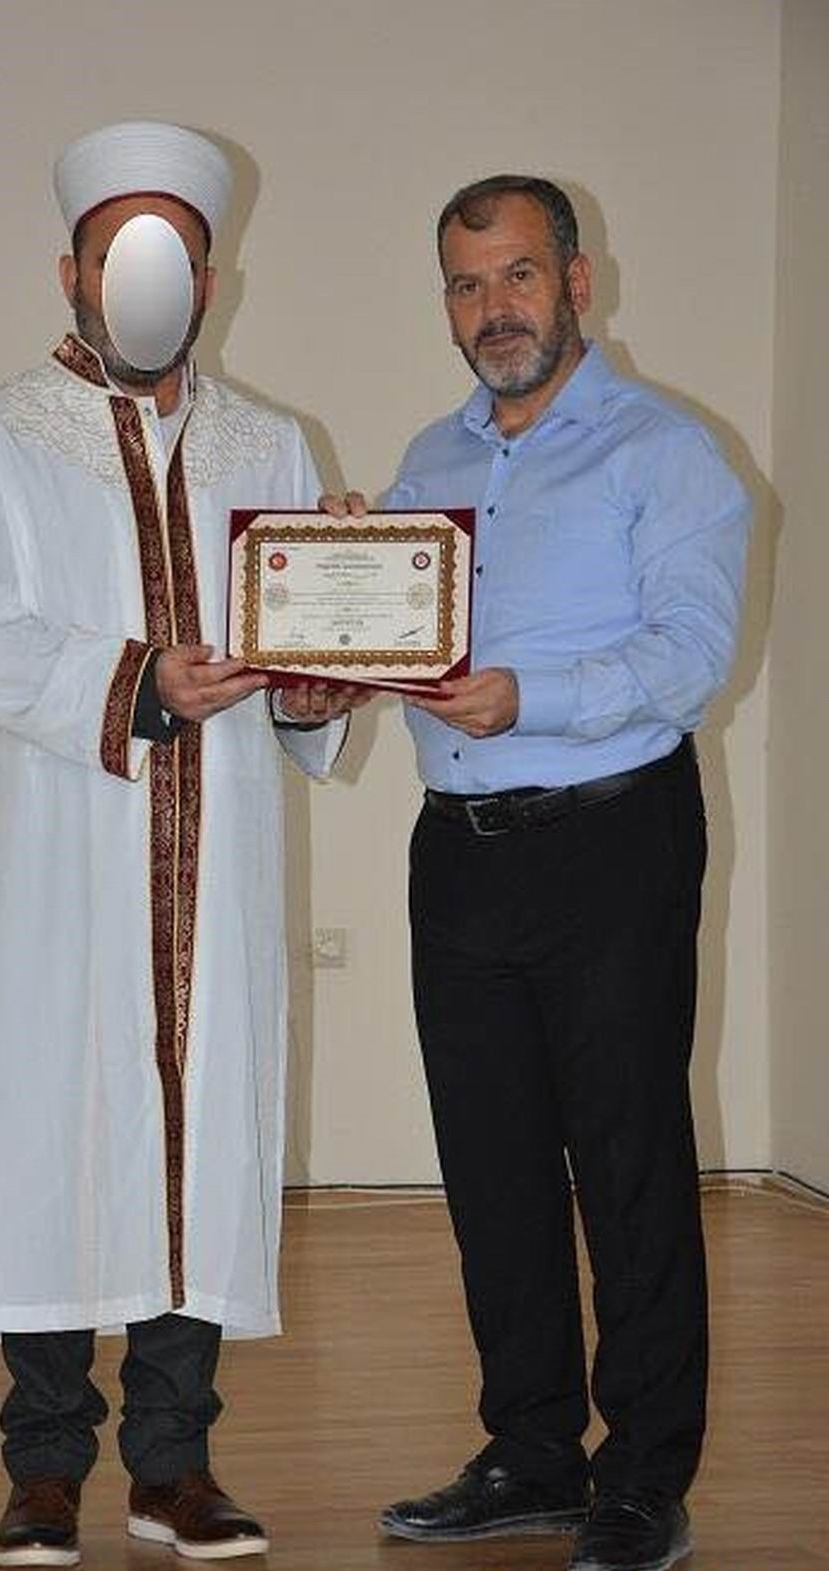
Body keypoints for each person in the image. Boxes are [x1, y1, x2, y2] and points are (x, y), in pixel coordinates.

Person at [0, 120, 362, 1568]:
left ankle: (172, 1468)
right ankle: (45, 1467)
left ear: (209, 282)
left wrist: (315, 687)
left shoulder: (268, 442)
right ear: (72, 273)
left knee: (203, 1136)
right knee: (55, 1126)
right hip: (64, 849)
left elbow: (295, 651)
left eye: (170, 259)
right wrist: (141, 684)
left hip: (217, 857)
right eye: (116, 255)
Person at [326, 175, 749, 1571]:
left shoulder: (664, 450)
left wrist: (533, 697)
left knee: (628, 1166)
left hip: (610, 839)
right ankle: (528, 1452)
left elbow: (690, 656)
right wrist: (320, 645)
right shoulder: (427, 460)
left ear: (575, 280)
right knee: (490, 1169)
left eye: (515, 275)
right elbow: (382, 641)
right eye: (465, 284)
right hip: (456, 854)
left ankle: (642, 1476)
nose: (491, 309)